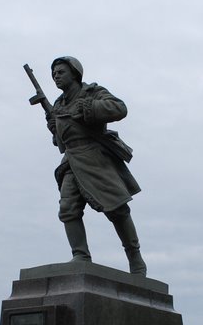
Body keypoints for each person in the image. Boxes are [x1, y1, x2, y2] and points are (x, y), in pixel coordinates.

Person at [46, 56, 146, 276]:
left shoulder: (91, 92)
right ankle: (80, 255)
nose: (56, 76)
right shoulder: (58, 104)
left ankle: (135, 257)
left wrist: (90, 108)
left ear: (74, 73)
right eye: (53, 74)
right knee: (68, 208)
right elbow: (61, 141)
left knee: (117, 210)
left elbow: (119, 108)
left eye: (61, 72)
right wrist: (54, 127)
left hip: (95, 157)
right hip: (71, 160)